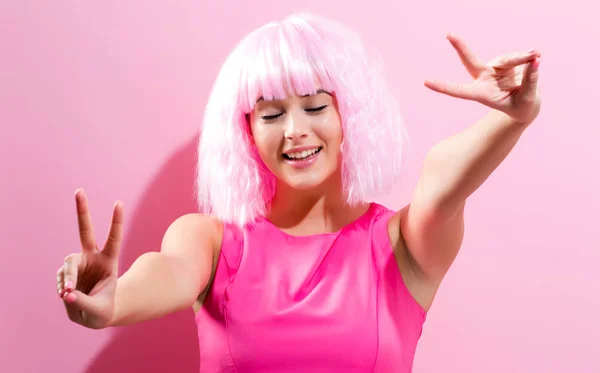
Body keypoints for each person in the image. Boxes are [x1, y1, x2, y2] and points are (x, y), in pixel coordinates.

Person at [56, 12, 541, 372]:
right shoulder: (209, 240)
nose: (294, 131)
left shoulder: (404, 245)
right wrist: (111, 302)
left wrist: (510, 119)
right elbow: (168, 273)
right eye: (271, 114)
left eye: (314, 107)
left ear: (348, 115)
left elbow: (440, 183)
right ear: (246, 130)